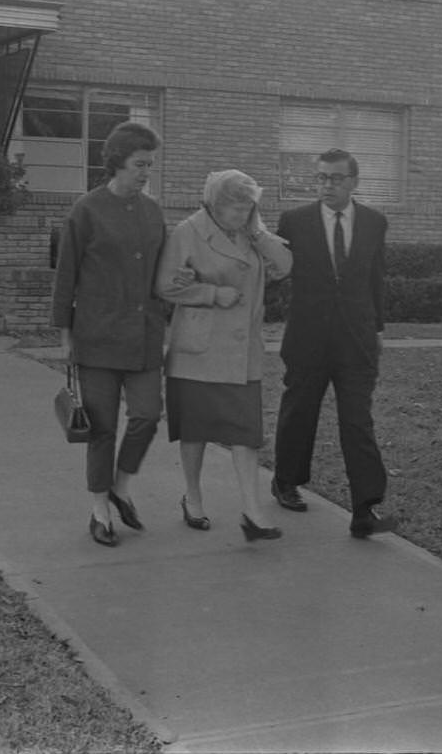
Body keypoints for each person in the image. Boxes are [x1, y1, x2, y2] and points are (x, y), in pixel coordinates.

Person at [156, 170, 293, 541]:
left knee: (246, 432)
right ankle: (193, 496)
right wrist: (213, 294)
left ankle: (252, 512)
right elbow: (165, 285)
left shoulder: (251, 233)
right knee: (195, 430)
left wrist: (259, 233)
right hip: (198, 348)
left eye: (248, 207)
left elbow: (284, 267)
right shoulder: (188, 231)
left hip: (241, 352)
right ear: (214, 205)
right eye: (236, 208)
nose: (242, 214)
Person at [51, 122, 166, 548]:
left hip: (144, 336)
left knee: (148, 415)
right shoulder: (86, 210)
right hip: (97, 338)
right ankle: (100, 510)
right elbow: (66, 276)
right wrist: (65, 335)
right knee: (102, 428)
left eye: (150, 165)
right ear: (117, 162)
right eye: (139, 165)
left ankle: (121, 486)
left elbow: (162, 271)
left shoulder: (153, 211)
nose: (146, 173)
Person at [271, 148, 396, 538]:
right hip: (308, 338)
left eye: (336, 178)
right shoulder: (294, 222)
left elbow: (375, 278)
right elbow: (277, 273)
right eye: (322, 178)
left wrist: (377, 330)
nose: (327, 185)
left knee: (357, 421)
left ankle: (365, 509)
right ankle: (286, 481)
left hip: (356, 341)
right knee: (299, 412)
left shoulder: (374, 222)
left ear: (354, 182)